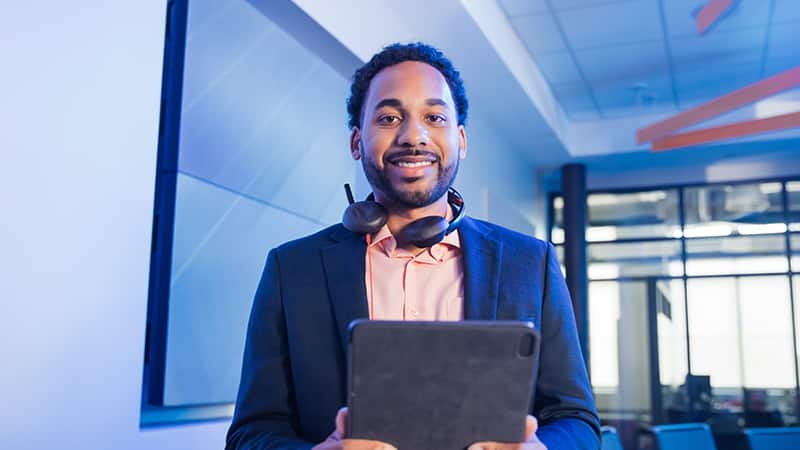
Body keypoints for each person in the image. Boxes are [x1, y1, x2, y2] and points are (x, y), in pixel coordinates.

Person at [226, 42, 600, 450]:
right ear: (356, 141)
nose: (413, 136)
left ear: (460, 140)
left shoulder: (531, 262)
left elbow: (575, 420)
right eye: (388, 117)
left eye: (434, 117)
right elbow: (251, 433)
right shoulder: (292, 269)